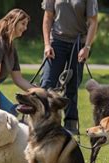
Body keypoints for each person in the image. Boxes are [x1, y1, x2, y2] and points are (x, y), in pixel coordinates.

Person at [40, 0, 99, 134]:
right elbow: (48, 18)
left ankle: (70, 126)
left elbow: (93, 22)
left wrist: (87, 47)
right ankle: (44, 121)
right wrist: (47, 45)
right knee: (47, 84)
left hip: (78, 43)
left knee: (72, 87)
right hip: (56, 41)